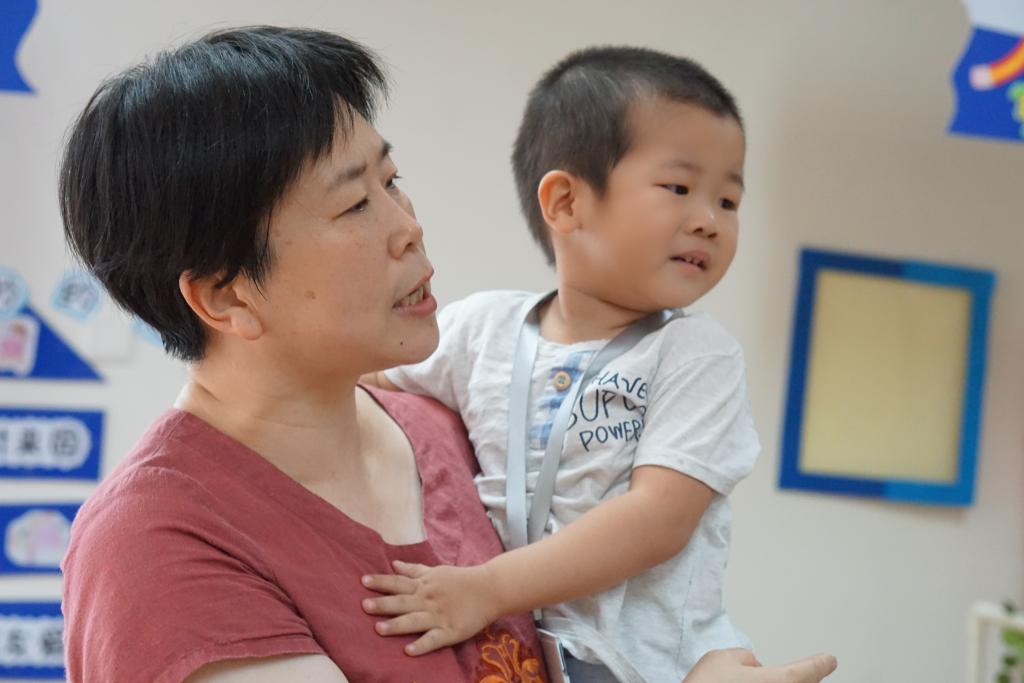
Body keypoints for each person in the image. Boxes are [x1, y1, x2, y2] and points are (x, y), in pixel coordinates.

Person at [57, 25, 836, 683]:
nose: (408, 225)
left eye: (393, 179)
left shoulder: (443, 425)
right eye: (354, 203)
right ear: (226, 297)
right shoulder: (160, 544)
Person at [362, 47, 761, 683]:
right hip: (510, 650)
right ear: (567, 202)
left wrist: (488, 588)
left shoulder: (697, 353)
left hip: (644, 666)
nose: (709, 221)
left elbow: (658, 520)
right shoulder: (481, 328)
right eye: (680, 189)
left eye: (729, 201)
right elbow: (361, 381)